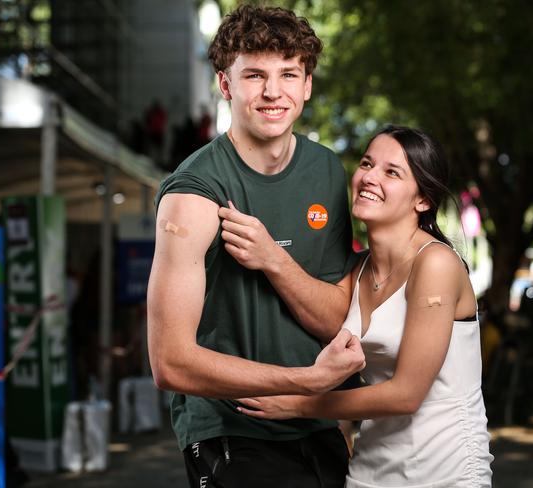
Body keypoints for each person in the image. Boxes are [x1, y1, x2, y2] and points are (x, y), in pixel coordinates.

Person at [147, 5, 364, 488]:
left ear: (307, 85)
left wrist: (273, 259)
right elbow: (169, 361)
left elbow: (334, 318)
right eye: (254, 75)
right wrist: (303, 381)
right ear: (226, 85)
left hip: (316, 422)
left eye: (289, 74)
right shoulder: (192, 194)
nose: (273, 91)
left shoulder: (327, 171)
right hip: (232, 432)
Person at [237, 126, 494, 487]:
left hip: (446, 472)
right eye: (367, 164)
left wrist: (299, 404)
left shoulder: (435, 264)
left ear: (423, 200)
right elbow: (316, 315)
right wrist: (270, 257)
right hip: (371, 471)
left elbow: (406, 395)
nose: (369, 177)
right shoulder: (358, 270)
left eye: (392, 172)